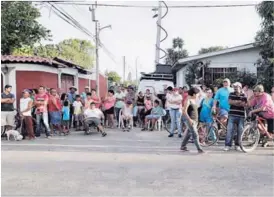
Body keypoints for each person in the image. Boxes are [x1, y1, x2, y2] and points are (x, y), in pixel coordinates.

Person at [180, 87, 205, 154]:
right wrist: (189, 119)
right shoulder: (188, 100)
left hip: (195, 119)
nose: (198, 95)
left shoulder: (193, 100)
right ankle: (199, 149)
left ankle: (183, 146)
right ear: (194, 94)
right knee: (195, 134)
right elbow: (184, 111)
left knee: (188, 133)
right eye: (197, 94)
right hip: (190, 119)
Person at [224, 82, 247, 151]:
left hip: (241, 115)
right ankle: (228, 145)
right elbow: (229, 102)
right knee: (229, 130)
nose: (235, 89)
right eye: (234, 87)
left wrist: (234, 102)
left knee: (240, 131)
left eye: (236, 87)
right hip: (232, 115)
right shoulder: (231, 94)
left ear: (240, 87)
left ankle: (237, 145)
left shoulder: (244, 95)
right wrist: (238, 102)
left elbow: (243, 104)